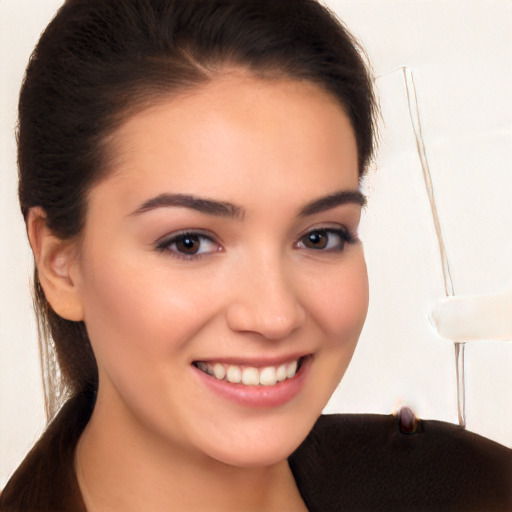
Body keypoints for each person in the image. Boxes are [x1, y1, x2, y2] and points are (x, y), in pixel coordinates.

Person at [0, 1, 510, 511]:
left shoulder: (483, 490)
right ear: (59, 264)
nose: (275, 316)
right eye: (190, 242)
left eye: (319, 237)